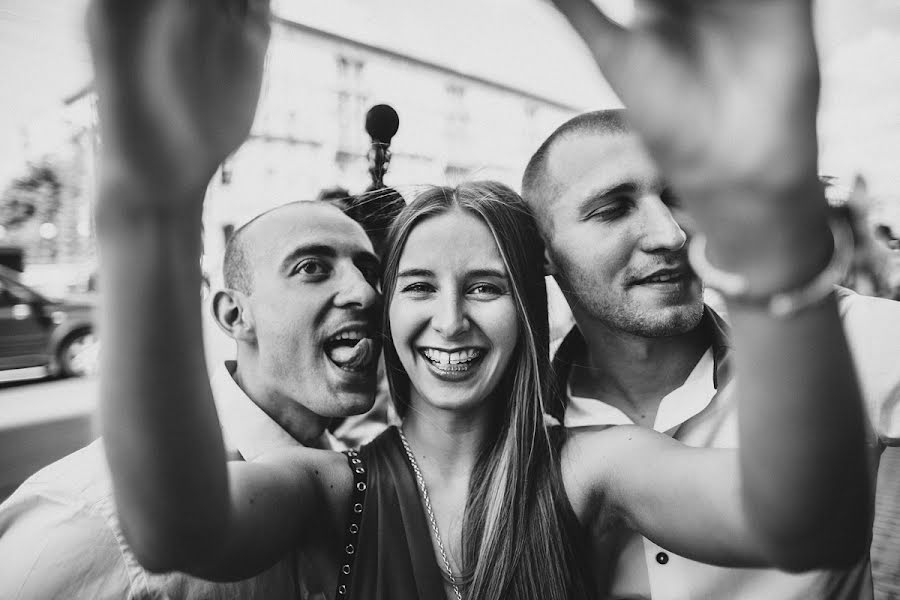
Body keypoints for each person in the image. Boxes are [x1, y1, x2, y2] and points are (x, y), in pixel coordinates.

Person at [88, 1, 870, 599]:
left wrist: (764, 219)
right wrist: (150, 205)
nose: (452, 320)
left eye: (487, 287)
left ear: (531, 305)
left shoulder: (592, 469)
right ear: (386, 309)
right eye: (419, 287)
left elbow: (808, 521)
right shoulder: (327, 488)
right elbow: (172, 529)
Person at [521, 7, 900, 600]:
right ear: (542, 252)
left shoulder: (839, 336)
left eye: (680, 195)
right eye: (613, 208)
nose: (670, 234)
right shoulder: (522, 427)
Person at [0, 200, 385, 599]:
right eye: (311, 268)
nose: (365, 293)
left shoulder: (361, 477)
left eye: (369, 272)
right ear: (235, 315)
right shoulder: (90, 519)